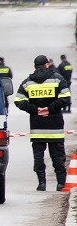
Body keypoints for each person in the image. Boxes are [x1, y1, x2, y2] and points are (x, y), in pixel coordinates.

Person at [14, 55, 71, 191]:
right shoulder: (57, 79)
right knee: (58, 156)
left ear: (34, 66)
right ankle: (60, 184)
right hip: (55, 126)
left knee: (38, 156)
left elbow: (18, 100)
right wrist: (50, 109)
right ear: (47, 65)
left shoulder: (28, 82)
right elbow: (66, 98)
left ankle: (41, 184)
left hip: (37, 126)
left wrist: (36, 110)